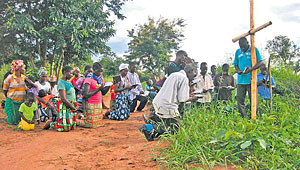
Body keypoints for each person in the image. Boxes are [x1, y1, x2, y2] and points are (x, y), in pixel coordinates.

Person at [139, 64, 198, 141]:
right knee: (175, 129)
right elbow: (182, 99)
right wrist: (193, 98)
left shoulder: (174, 75)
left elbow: (175, 93)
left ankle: (150, 132)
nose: (193, 78)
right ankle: (148, 128)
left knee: (168, 124)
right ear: (190, 71)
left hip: (160, 101)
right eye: (194, 75)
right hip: (167, 104)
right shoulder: (184, 78)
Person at [234, 37, 263, 118]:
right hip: (241, 81)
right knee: (240, 100)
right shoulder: (238, 52)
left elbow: (260, 62)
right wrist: (238, 70)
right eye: (241, 47)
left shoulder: (253, 50)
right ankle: (243, 117)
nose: (243, 49)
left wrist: (252, 69)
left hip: (251, 80)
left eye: (244, 47)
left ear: (247, 43)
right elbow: (235, 64)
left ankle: (253, 116)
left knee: (253, 100)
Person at [43, 66, 77, 132]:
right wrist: (72, 106)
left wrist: (74, 104)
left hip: (71, 105)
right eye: (71, 73)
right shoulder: (61, 83)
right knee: (64, 128)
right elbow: (63, 98)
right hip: (65, 105)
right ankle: (50, 123)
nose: (72, 75)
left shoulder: (69, 83)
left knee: (71, 126)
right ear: (65, 72)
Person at [77, 62, 109, 128]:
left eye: (101, 71)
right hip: (90, 104)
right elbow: (86, 94)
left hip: (98, 104)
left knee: (98, 123)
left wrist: (108, 86)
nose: (100, 73)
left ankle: (80, 118)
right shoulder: (88, 79)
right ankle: (76, 121)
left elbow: (103, 93)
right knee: (90, 124)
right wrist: (98, 89)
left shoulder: (100, 79)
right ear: (94, 69)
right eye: (99, 71)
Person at [3, 60, 35, 125]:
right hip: (12, 102)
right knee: (12, 121)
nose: (24, 69)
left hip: (21, 102)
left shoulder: (24, 78)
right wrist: (8, 98)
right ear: (18, 68)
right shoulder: (9, 78)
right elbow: (5, 89)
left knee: (21, 118)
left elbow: (30, 87)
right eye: (23, 68)